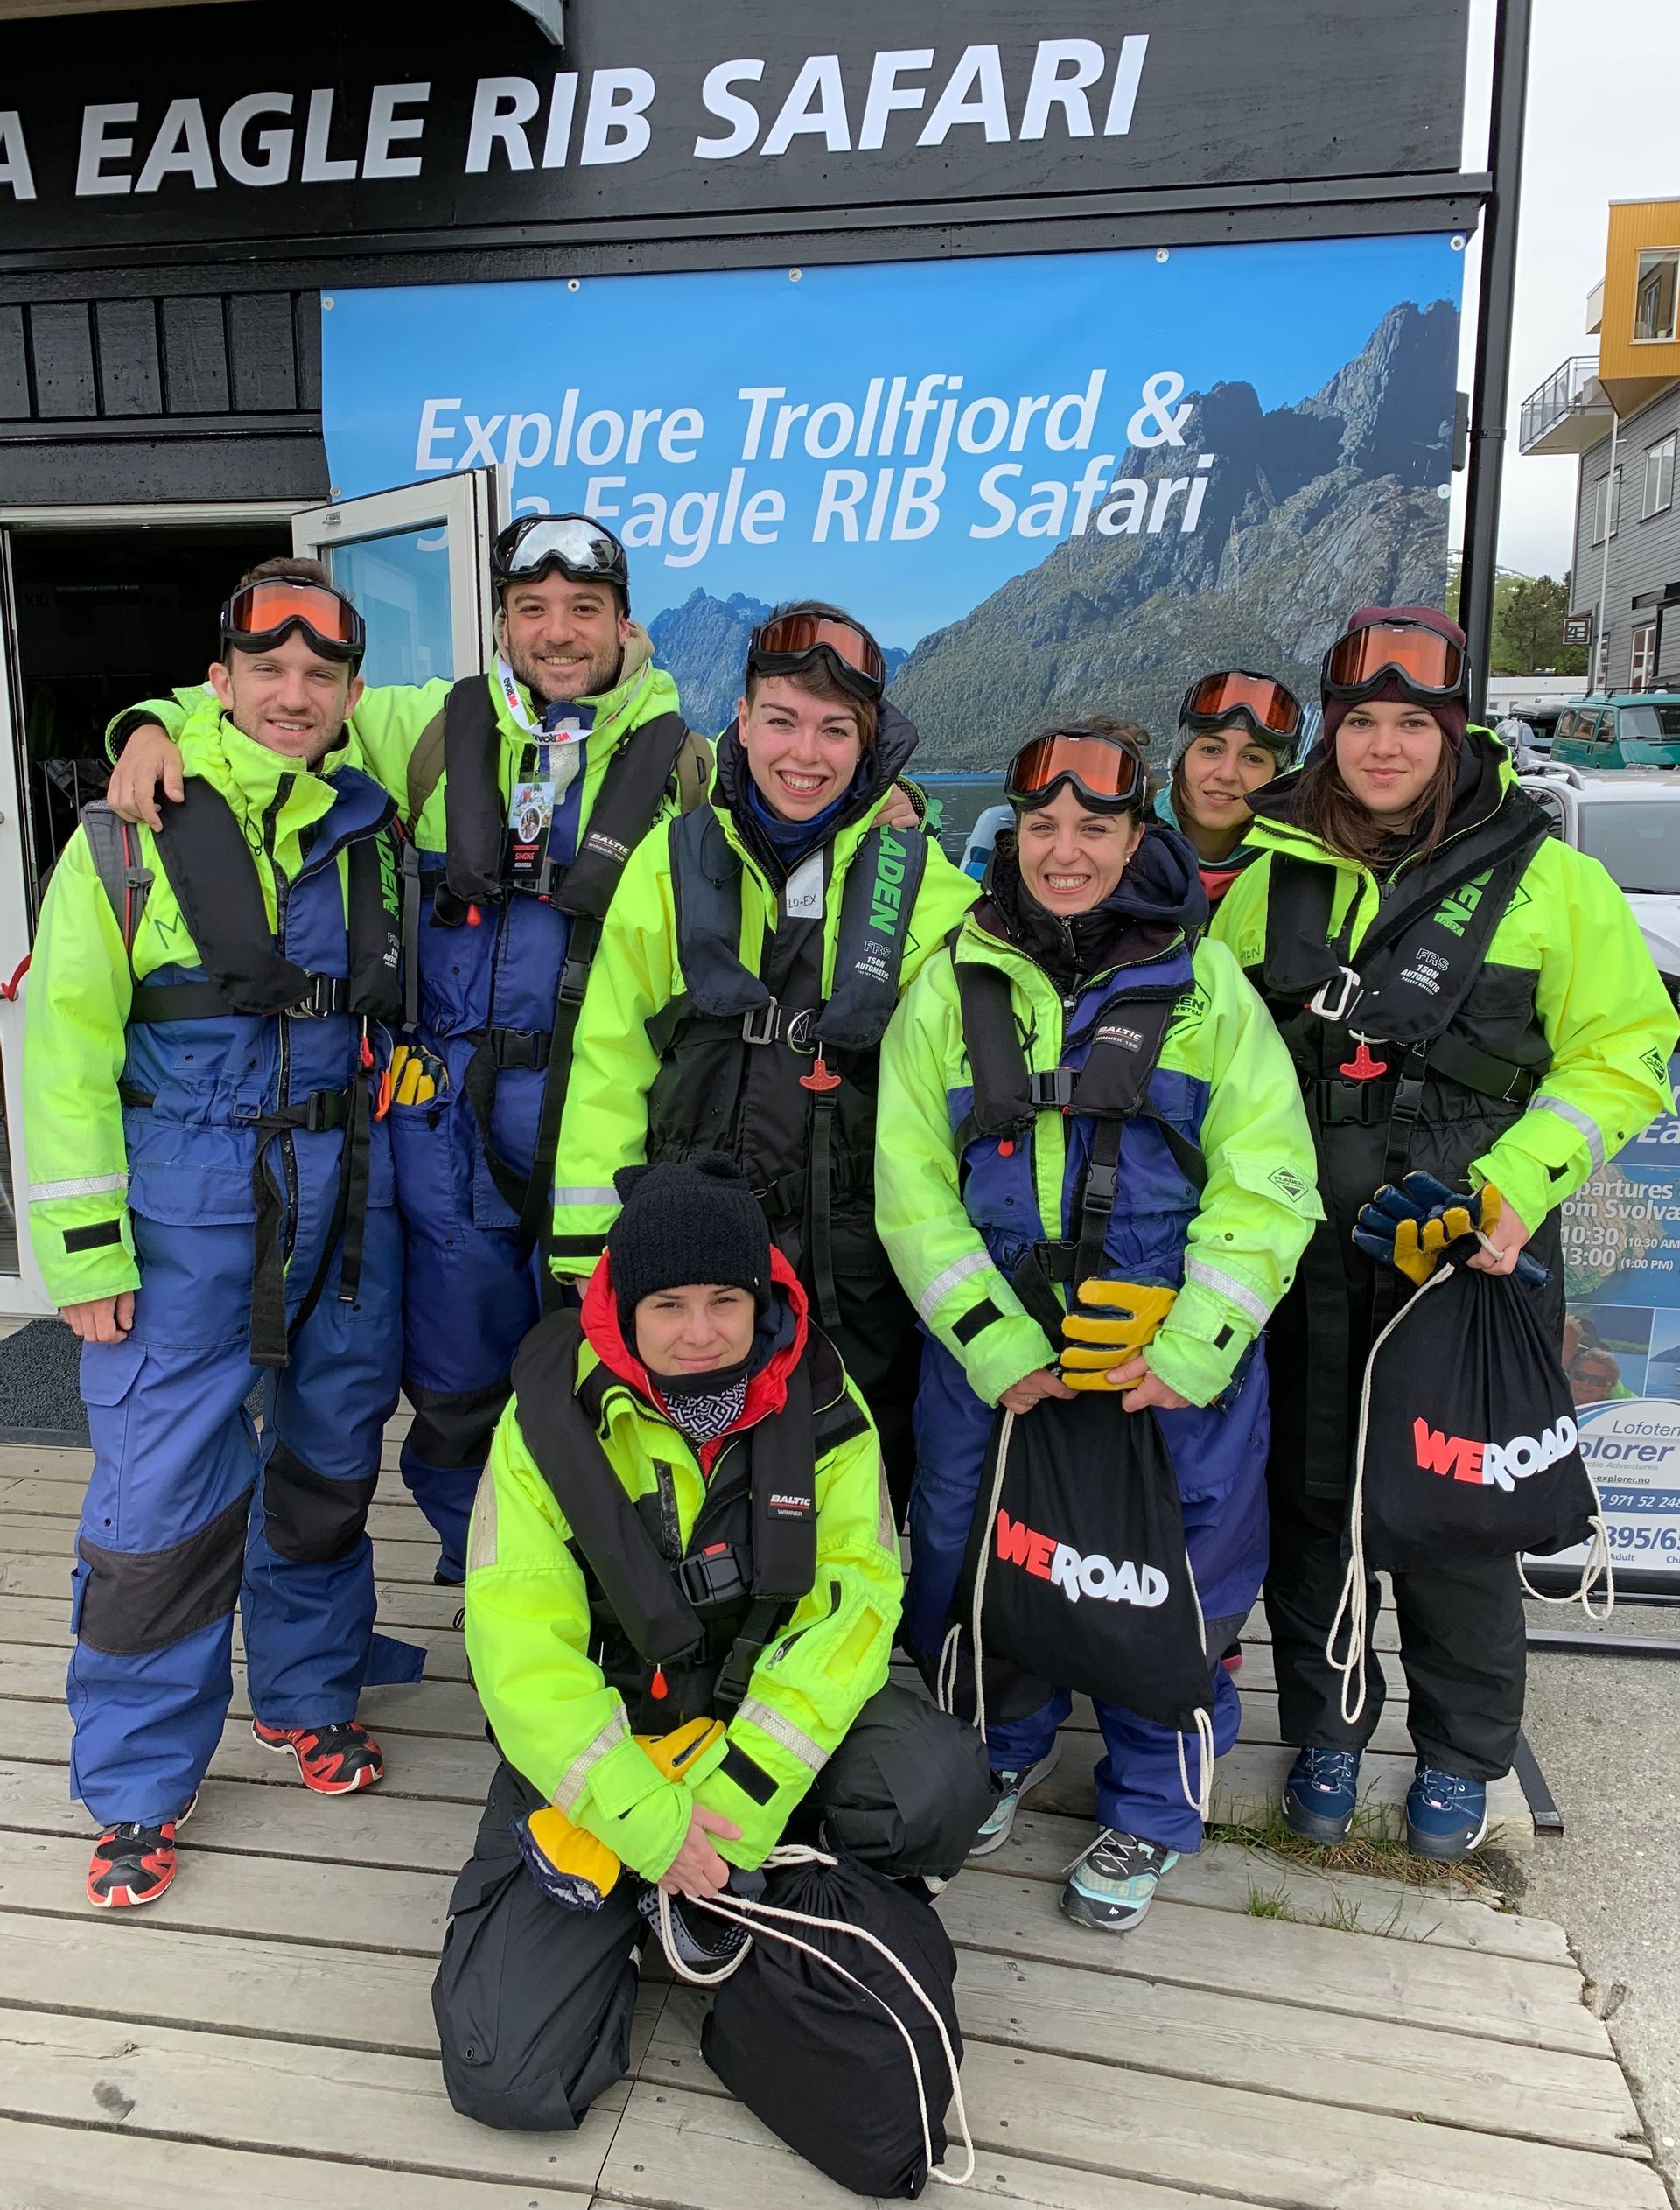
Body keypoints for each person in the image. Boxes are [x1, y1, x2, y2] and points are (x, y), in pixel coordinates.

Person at [103, 517, 710, 1587]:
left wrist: (891, 810)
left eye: (582, 610)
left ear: (625, 623)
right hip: (443, 1144)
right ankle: (487, 1589)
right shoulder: (426, 726)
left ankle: (599, 1600)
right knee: (457, 1393)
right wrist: (152, 723)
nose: (557, 635)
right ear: (502, 624)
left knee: (603, 1383)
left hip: (601, 1135)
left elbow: (812, 824)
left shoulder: (686, 770)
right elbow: (278, 707)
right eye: (531, 610)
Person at [1214, 604, 1678, 1861]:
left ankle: (1465, 1757)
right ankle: (1324, 1728)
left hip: (1473, 1254)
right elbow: (1217, 1063)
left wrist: (1517, 1186)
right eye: (1360, 722)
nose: (1381, 747)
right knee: (1311, 1507)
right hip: (1309, 1258)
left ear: (1454, 733)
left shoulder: (1555, 883)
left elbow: (1631, 1053)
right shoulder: (1268, 883)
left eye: (1408, 724)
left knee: (1459, 1516)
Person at [431, 1155, 990, 2132]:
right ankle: (671, 1892)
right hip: (609, 1753)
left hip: (756, 1740)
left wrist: (733, 1803)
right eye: (671, 1304)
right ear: (624, 1305)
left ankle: (739, 1878)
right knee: (504, 2072)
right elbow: (520, 1646)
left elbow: (854, 1610)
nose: (700, 1332)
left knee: (935, 1786)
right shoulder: (546, 1421)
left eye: (726, 1299)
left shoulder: (826, 1405)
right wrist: (651, 1824)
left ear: (762, 1293)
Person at [875, 718, 1320, 1934]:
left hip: (1163, 1351)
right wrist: (990, 1338)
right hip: (998, 1354)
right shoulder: (952, 984)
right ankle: (995, 1755)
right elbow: (909, 1185)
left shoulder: (1207, 987)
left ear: (1141, 836)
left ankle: (1155, 1806)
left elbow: (1271, 1180)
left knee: (1175, 1576)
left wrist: (1191, 1349)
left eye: (1097, 826)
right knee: (978, 1559)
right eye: (1042, 826)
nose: (1064, 851)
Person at [24, 561, 410, 1909]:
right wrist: (79, 1257)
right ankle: (136, 1783)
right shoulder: (126, 837)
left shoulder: (369, 821)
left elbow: (532, 711)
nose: (293, 694)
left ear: (353, 694)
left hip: (345, 1198)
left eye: (322, 675)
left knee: (324, 1464)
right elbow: (62, 1046)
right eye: (268, 669)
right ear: (222, 678)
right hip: (181, 1205)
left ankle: (303, 1697)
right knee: (158, 1501)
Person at [548, 602, 976, 1515]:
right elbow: (608, 1056)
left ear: (871, 745)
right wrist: (591, 1244)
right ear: (741, 722)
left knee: (851, 1468)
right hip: (690, 1236)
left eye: (834, 730)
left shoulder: (929, 889)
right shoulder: (672, 859)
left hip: (850, 1250)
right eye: (780, 721)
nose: (804, 755)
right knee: (681, 1470)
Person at [1153, 670, 1305, 904]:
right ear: (1181, 760)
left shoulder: (1298, 875)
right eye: (1211, 750)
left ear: (1276, 779)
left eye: (1253, 758)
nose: (1227, 774)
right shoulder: (1123, 846)